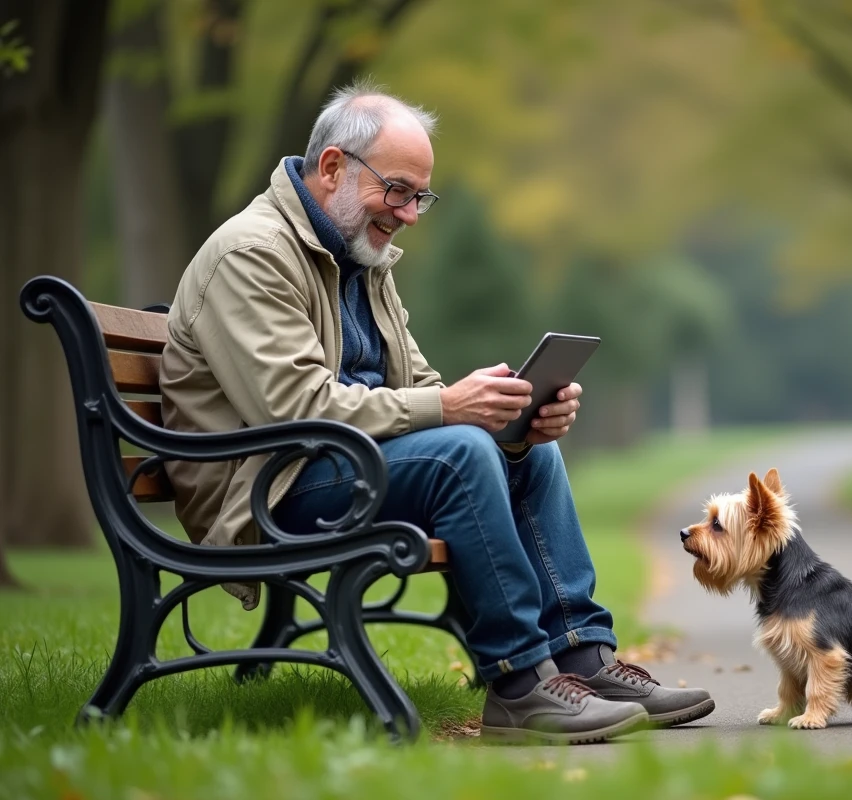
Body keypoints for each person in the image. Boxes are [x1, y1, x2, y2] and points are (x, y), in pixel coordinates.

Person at [159, 80, 714, 744]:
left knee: (524, 447)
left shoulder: (360, 261)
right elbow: (294, 407)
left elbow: (418, 386)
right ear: (334, 166)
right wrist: (453, 410)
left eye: (419, 196)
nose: (410, 214)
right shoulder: (250, 253)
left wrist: (511, 417)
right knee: (464, 451)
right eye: (397, 191)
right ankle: (518, 684)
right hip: (264, 486)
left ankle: (583, 659)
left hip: (338, 465)